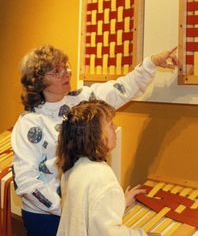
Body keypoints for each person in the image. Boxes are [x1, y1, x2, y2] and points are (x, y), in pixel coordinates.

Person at [11, 45, 177, 236]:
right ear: (38, 80)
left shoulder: (81, 101)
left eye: (65, 66)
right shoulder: (28, 124)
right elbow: (26, 183)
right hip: (47, 218)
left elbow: (121, 89)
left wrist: (152, 62)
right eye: (57, 71)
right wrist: (68, 208)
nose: (66, 73)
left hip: (78, 210)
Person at [56, 100, 159, 236]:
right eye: (110, 125)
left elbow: (89, 211)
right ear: (95, 136)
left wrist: (121, 202)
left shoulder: (73, 167)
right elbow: (107, 233)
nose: (115, 127)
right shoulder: (102, 177)